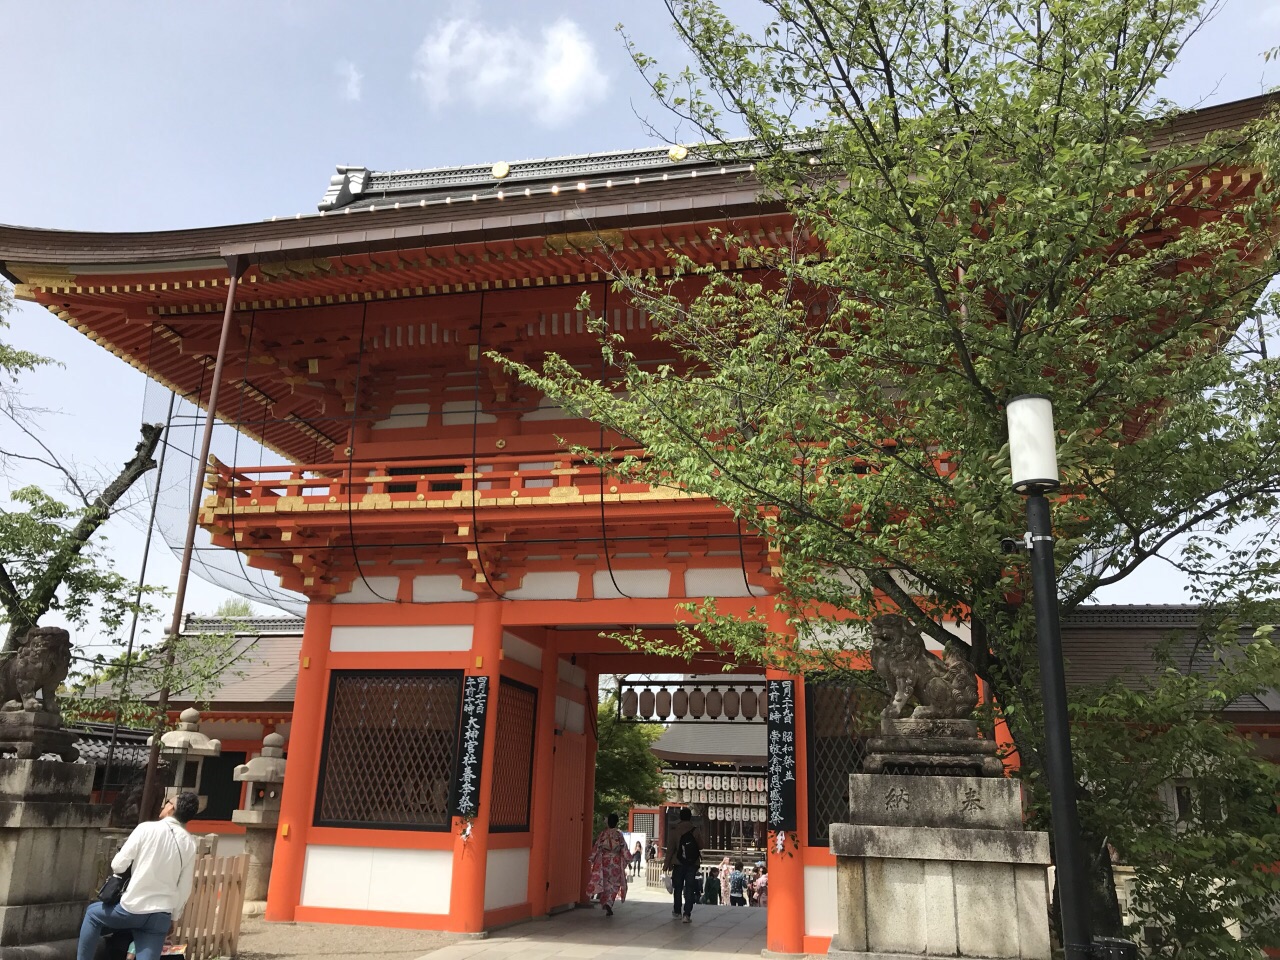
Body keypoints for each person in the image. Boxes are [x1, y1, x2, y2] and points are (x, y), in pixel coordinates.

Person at [77, 792, 200, 960]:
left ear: (171, 807)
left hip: (133, 907)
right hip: (161, 915)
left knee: (92, 914)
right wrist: (174, 917)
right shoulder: (190, 842)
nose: (164, 805)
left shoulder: (146, 829)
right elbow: (185, 886)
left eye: (167, 802)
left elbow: (118, 865)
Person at [663, 807, 701, 923]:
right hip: (692, 864)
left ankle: (677, 911)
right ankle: (687, 914)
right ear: (690, 817)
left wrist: (666, 865)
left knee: (678, 888)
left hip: (678, 863)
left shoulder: (675, 830)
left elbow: (670, 850)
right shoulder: (695, 830)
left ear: (680, 817)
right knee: (689, 888)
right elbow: (701, 845)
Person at [586, 813, 629, 916]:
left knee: (605, 883)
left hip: (604, 861)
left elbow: (597, 846)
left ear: (608, 822)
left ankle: (605, 902)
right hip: (616, 861)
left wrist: (592, 857)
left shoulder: (603, 834)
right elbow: (624, 848)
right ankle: (609, 902)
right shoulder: (619, 835)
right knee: (614, 884)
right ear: (617, 822)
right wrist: (627, 859)